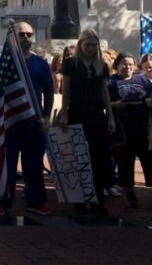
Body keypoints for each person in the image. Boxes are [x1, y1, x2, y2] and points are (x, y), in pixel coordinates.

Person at [0, 23, 54, 216]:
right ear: (13, 37)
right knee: (7, 163)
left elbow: (49, 91)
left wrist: (46, 116)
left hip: (34, 121)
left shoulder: (40, 64)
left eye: (29, 34)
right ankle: (2, 201)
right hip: (10, 122)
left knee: (34, 163)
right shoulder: (3, 63)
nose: (26, 38)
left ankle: (36, 200)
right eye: (21, 34)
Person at [59, 29, 116, 215]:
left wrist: (110, 116)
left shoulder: (101, 64)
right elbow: (66, 91)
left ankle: (99, 200)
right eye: (88, 45)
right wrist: (64, 113)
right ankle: (80, 201)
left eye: (94, 45)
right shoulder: (71, 64)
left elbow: (104, 91)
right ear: (81, 45)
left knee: (98, 157)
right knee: (78, 157)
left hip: (97, 114)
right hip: (77, 112)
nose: (91, 48)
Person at [107, 53, 152, 208]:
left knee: (148, 159)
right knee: (125, 162)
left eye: (131, 64)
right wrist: (114, 105)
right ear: (117, 65)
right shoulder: (111, 82)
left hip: (143, 129)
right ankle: (130, 193)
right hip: (122, 130)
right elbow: (101, 103)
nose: (128, 67)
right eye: (124, 64)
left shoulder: (142, 80)